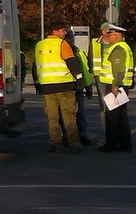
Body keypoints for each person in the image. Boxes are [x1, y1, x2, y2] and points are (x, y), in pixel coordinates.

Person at [32, 20, 84, 153]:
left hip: (47, 87)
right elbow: (72, 63)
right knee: (69, 117)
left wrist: (37, 83)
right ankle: (73, 144)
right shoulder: (62, 44)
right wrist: (79, 80)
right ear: (55, 31)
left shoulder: (39, 45)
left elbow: (35, 67)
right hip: (65, 86)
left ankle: (54, 143)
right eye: (63, 30)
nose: (65, 32)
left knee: (52, 118)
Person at [98, 24, 134, 153]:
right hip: (123, 85)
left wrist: (114, 85)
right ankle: (125, 145)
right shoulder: (125, 47)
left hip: (115, 86)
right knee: (122, 117)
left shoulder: (117, 48)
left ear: (116, 35)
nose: (108, 37)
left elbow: (118, 69)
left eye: (110, 34)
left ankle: (111, 145)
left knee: (112, 118)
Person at [62, 27, 93, 146]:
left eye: (72, 37)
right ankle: (67, 135)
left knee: (80, 112)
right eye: (69, 37)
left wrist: (88, 86)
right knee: (66, 112)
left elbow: (84, 70)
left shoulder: (78, 51)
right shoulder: (62, 50)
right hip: (66, 86)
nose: (71, 40)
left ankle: (82, 134)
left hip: (78, 86)